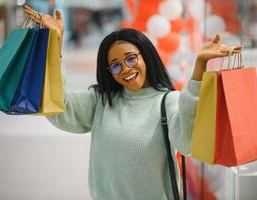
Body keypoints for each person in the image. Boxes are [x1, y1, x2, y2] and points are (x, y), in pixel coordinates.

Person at [23, 5, 243, 200]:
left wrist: (199, 69)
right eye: (116, 65)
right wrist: (55, 44)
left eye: (131, 58)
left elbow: (186, 143)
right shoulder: (102, 101)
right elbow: (57, 107)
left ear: (145, 55)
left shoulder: (168, 102)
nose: (126, 69)